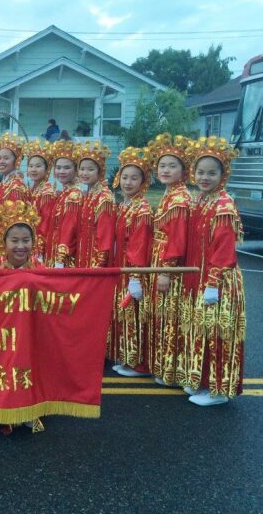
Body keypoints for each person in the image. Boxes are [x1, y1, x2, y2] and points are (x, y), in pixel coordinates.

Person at [183, 137, 246, 406]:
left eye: (212, 172)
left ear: (223, 174)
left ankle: (219, 390)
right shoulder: (202, 200)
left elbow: (223, 249)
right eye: (200, 172)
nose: (204, 177)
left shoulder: (223, 205)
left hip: (218, 280)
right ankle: (204, 381)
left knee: (218, 333)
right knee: (203, 331)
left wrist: (213, 282)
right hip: (203, 277)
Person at [0, 199, 45, 434]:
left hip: (30, 335)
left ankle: (29, 409)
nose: (21, 246)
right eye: (15, 241)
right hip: (1, 334)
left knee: (27, 371)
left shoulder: (40, 268)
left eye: (26, 240)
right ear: (4, 242)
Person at [146, 133, 193, 387]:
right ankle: (165, 367)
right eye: (162, 165)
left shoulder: (178, 199)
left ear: (183, 171)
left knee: (170, 315)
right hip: (159, 258)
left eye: (172, 165)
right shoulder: (169, 194)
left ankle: (172, 371)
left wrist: (166, 271)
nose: (166, 170)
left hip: (168, 265)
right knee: (163, 315)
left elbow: (177, 241)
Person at [109, 147, 153, 378]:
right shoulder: (124, 205)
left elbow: (139, 245)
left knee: (134, 313)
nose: (128, 182)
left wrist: (136, 277)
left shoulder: (142, 209)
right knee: (124, 313)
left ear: (143, 181)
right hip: (121, 267)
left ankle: (139, 363)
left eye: (134, 178)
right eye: (125, 177)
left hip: (132, 270)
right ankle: (127, 358)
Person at [75, 141, 115, 268]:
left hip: (95, 260)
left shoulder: (104, 198)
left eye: (90, 169)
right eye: (82, 169)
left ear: (100, 171)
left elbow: (104, 234)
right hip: (84, 254)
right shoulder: (89, 194)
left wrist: (99, 263)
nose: (85, 173)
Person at [44, 140, 83, 268]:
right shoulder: (64, 192)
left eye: (67, 168)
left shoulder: (74, 196)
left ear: (76, 170)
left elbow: (69, 229)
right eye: (58, 167)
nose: (61, 171)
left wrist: (60, 258)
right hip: (54, 250)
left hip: (64, 257)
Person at [0, 132, 28, 249]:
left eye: (6, 158)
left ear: (16, 160)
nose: (1, 161)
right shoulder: (3, 184)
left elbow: (15, 222)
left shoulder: (15, 187)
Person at [24, 139, 55, 262]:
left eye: (38, 166)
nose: (33, 169)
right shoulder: (32, 189)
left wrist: (39, 249)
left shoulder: (47, 192)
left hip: (39, 245)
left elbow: (45, 223)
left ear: (47, 169)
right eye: (31, 166)